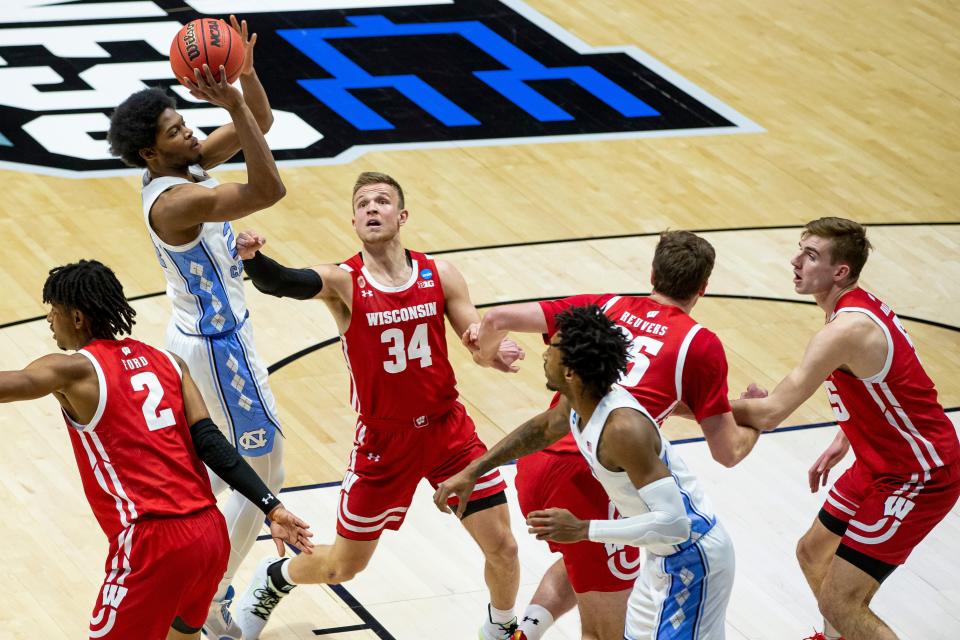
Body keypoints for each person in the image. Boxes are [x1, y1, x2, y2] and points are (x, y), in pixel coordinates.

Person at [231, 171, 523, 640]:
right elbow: (285, 281)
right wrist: (254, 259)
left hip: (449, 431)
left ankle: (503, 628)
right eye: (363, 203)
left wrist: (495, 351)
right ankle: (276, 578)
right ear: (353, 221)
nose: (371, 208)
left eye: (382, 201)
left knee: (504, 547)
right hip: (385, 441)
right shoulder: (344, 281)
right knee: (343, 567)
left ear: (401, 215)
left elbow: (475, 341)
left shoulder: (440, 274)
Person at [460, 230, 759, 639]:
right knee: (606, 630)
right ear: (703, 288)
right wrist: (756, 419)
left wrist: (485, 354)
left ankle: (518, 634)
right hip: (593, 475)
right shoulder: (698, 344)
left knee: (579, 559)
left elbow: (494, 319)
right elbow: (727, 451)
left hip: (538, 459)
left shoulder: (608, 307)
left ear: (652, 273)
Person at [0, 259, 312, 640]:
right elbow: (212, 445)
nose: (50, 320)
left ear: (77, 317)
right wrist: (271, 506)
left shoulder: (73, 371)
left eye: (54, 309)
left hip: (153, 540)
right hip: (209, 535)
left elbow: (12, 383)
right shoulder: (169, 362)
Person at [105, 16, 287, 638]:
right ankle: (207, 595)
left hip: (201, 336)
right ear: (152, 152)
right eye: (176, 129)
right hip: (219, 346)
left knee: (223, 474)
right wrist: (232, 101)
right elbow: (269, 187)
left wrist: (247, 77)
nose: (189, 128)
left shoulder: (180, 166)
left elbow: (257, 126)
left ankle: (198, 582)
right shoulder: (177, 199)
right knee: (266, 470)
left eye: (185, 120)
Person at [731, 217, 960, 640]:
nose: (795, 260)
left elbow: (769, 413)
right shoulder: (854, 309)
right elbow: (891, 381)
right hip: (880, 461)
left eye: (810, 255)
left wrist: (680, 402)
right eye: (800, 249)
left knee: (842, 601)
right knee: (812, 552)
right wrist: (847, 434)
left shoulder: (847, 328)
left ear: (840, 272)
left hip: (918, 474)